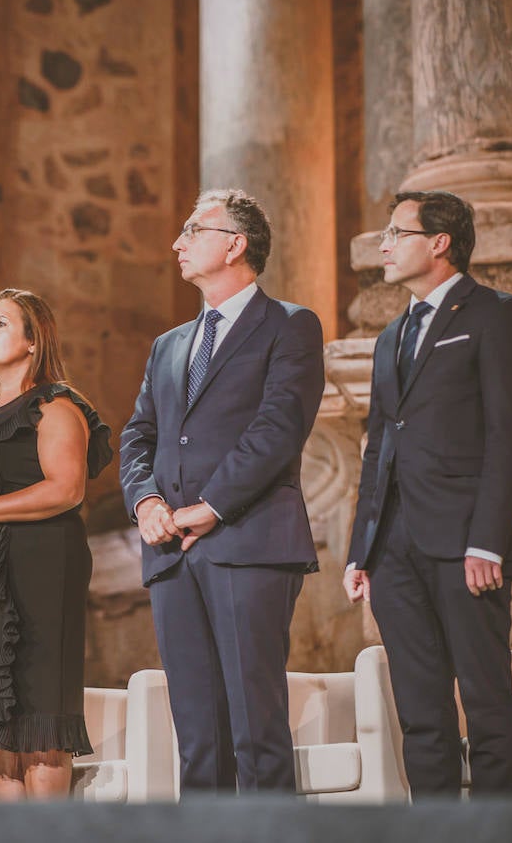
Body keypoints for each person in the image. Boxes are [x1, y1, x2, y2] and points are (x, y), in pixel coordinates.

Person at [120, 189, 324, 794]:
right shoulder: (169, 344)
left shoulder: (290, 325)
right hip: (171, 555)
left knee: (256, 731)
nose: (177, 243)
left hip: (247, 540)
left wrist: (209, 507)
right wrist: (147, 502)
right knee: (199, 739)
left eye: (192, 230)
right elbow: (139, 434)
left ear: (235, 244)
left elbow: (279, 426)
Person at [343, 190, 512, 798]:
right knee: (420, 715)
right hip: (393, 550)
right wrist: (360, 550)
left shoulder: (496, 314)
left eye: (397, 233)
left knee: (486, 702)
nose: (385, 244)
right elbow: (379, 447)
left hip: (465, 543)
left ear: (439, 242)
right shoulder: (390, 336)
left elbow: (509, 436)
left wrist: (487, 541)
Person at [0, 288, 112, 800]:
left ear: (33, 341)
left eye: (1, 323)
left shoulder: (54, 405)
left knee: (38, 722)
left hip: (38, 571)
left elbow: (65, 488)